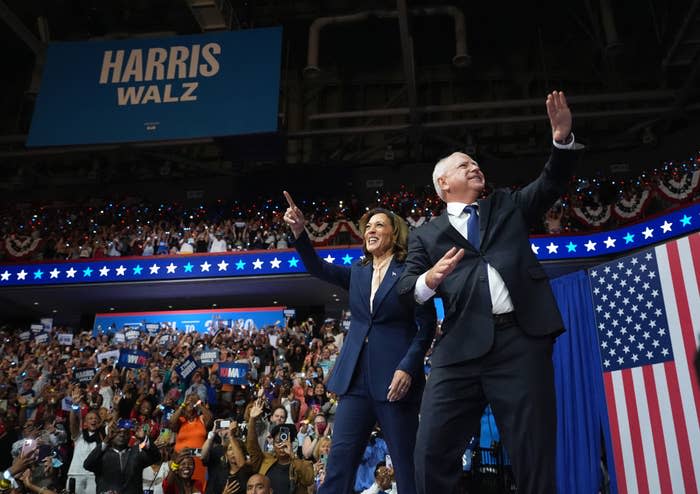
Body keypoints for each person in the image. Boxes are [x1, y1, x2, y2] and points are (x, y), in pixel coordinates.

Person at [398, 90, 579, 494]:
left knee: (534, 455)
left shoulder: (507, 205)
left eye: (476, 163)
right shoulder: (425, 235)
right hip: (458, 349)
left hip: (521, 343)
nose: (475, 167)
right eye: (465, 165)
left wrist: (562, 140)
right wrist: (430, 279)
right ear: (443, 183)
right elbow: (407, 290)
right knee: (429, 454)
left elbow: (551, 182)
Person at [283, 192, 437, 494]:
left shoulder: (410, 272)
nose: (371, 231)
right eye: (368, 227)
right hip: (355, 382)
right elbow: (316, 267)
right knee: (339, 462)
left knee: (405, 465)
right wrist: (300, 233)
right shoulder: (358, 271)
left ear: (395, 234)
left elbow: (427, 325)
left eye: (379, 225)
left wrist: (407, 367)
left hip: (396, 383)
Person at [246, 400, 314, 494]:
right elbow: (252, 446)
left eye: (286, 441)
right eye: (278, 441)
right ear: (273, 444)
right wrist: (252, 420)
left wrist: (292, 456)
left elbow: (308, 479)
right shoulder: (265, 460)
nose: (282, 445)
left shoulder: (304, 464)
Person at [83, 419, 161, 494]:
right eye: (118, 432)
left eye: (126, 433)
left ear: (130, 437)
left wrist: (144, 438)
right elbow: (87, 465)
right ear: (111, 435)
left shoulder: (136, 452)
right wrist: (106, 440)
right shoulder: (102, 454)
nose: (122, 434)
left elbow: (156, 456)